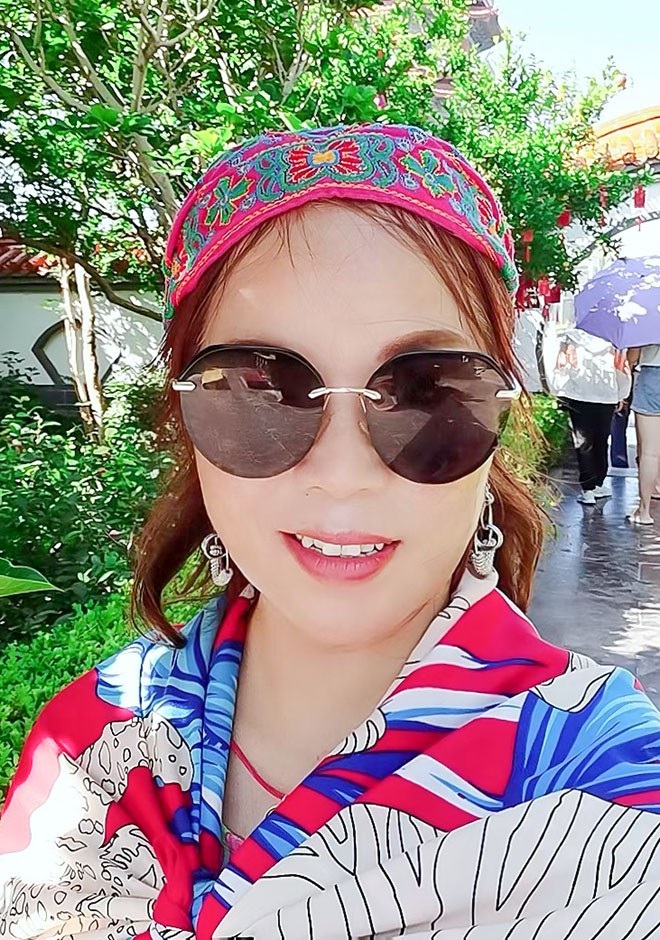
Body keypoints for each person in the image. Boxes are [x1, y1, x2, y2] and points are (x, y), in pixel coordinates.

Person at [5, 125, 660, 939]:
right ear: (184, 427)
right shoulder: (86, 743)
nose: (343, 473)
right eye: (260, 390)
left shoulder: (610, 779)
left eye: (427, 390)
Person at [549, 328, 631, 505]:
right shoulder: (614, 339)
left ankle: (587, 489)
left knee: (583, 442)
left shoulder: (572, 337)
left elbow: (561, 366)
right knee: (601, 440)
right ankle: (598, 482)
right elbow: (621, 369)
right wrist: (621, 394)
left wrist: (559, 390)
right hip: (606, 396)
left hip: (578, 395)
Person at [628, 344, 660, 524]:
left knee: (649, 452)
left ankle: (644, 511)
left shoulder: (647, 325)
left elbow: (633, 356)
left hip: (652, 376)